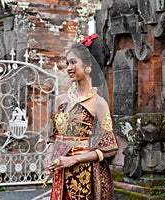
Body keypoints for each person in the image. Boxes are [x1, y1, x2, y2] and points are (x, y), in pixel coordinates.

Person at [44, 33, 118, 200]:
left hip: (83, 175)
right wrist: (49, 157)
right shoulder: (60, 100)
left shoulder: (98, 103)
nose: (68, 68)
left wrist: (75, 159)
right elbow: (53, 137)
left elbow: (110, 145)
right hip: (60, 172)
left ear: (88, 65)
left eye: (73, 62)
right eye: (67, 63)